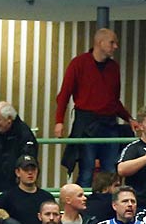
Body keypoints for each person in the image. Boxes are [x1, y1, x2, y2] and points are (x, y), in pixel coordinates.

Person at [54, 29, 129, 184]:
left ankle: (110, 204)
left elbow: (114, 100)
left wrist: (129, 118)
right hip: (87, 123)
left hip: (109, 123)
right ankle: (84, 204)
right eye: (112, 42)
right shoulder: (79, 64)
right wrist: (59, 121)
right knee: (87, 169)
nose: (115, 46)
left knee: (110, 169)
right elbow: (64, 94)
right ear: (100, 43)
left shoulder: (113, 68)